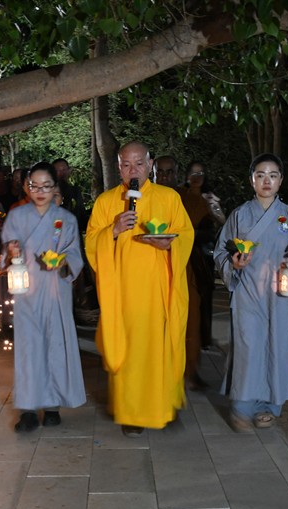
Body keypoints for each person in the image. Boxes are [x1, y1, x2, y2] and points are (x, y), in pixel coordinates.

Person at [85, 141, 194, 437]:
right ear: (119, 167)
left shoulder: (169, 197)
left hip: (159, 290)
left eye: (139, 164)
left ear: (150, 165)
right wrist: (113, 230)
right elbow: (92, 244)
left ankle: (162, 406)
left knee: (159, 350)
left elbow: (185, 235)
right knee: (130, 352)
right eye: (126, 165)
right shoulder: (107, 202)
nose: (133, 170)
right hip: (124, 293)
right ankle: (132, 413)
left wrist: (169, 245)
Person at [213, 153, 288, 432]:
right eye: (261, 175)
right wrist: (234, 264)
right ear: (252, 180)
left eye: (273, 175)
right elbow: (221, 251)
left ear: (281, 181)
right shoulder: (240, 215)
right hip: (247, 292)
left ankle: (268, 406)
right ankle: (242, 408)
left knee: (276, 347)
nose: (267, 181)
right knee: (249, 348)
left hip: (279, 294)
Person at [1, 162, 86, 432]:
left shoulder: (66, 219)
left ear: (54, 187)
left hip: (55, 289)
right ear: (27, 187)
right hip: (27, 289)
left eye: (46, 186)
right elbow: (6, 254)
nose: (40, 192)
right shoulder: (16, 216)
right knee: (29, 349)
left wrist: (62, 263)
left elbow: (74, 254)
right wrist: (11, 252)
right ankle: (28, 409)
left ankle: (52, 406)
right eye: (34, 186)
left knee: (54, 345)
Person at [179, 161, 226, 384]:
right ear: (187, 175)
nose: (197, 176)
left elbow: (222, 221)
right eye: (193, 173)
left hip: (200, 259)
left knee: (198, 308)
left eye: (200, 173)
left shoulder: (208, 198)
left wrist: (214, 206)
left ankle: (193, 363)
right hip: (179, 255)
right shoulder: (179, 195)